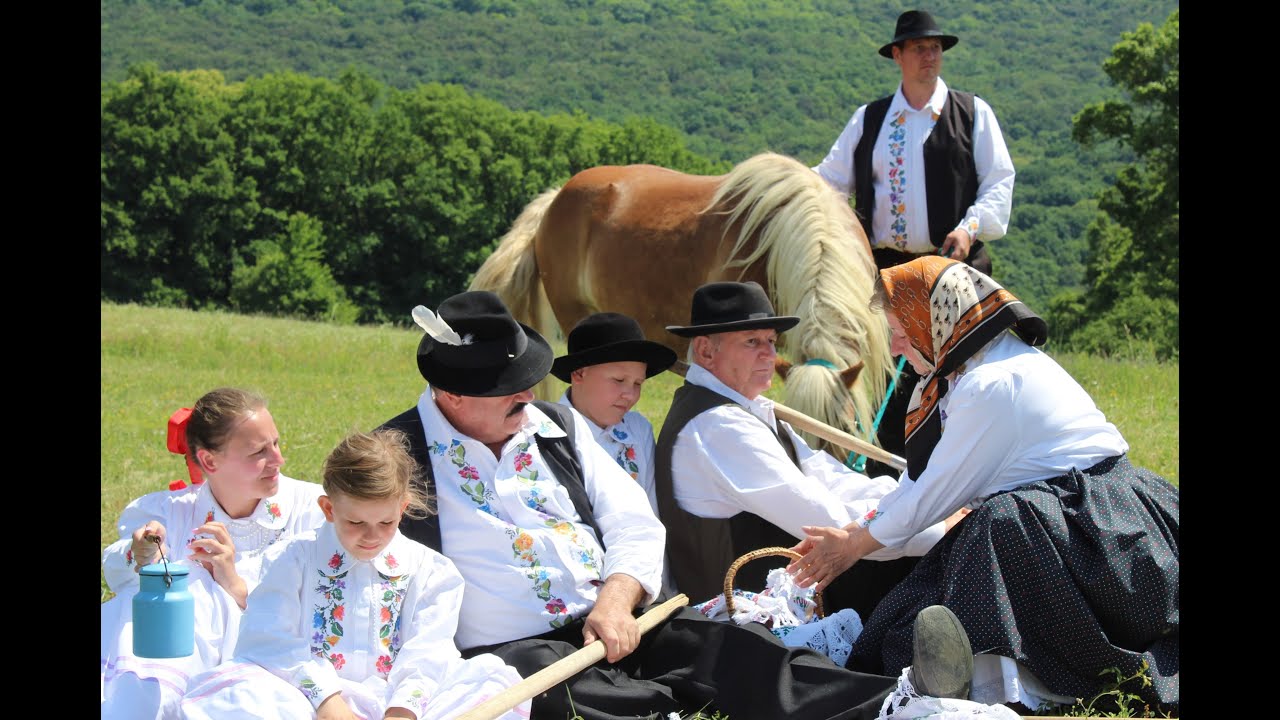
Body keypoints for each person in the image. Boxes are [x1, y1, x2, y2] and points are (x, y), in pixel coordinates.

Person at [375, 290, 979, 720]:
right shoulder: (397, 456)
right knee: (600, 701)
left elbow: (633, 520)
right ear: (450, 394)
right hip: (516, 651)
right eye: (511, 389)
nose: (530, 395)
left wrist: (616, 599)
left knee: (741, 655)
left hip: (620, 615)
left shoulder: (555, 424)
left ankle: (912, 707)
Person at [786, 257, 1179, 714]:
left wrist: (851, 546)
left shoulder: (990, 384)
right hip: (1079, 517)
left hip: (1099, 533)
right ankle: (949, 673)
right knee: (985, 533)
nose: (894, 348)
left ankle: (1000, 686)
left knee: (995, 529)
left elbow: (931, 497)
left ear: (931, 322)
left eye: (899, 330)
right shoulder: (967, 371)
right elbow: (915, 486)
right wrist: (852, 534)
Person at [654, 280, 959, 623]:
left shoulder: (742, 410)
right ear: (707, 351)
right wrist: (939, 526)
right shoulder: (717, 426)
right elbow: (824, 517)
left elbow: (829, 476)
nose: (770, 354)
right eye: (752, 342)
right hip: (740, 623)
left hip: (780, 600)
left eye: (771, 341)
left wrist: (923, 502)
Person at [180, 429, 529, 720]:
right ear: (328, 509)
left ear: (402, 508)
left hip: (399, 699)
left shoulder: (434, 572)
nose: (371, 536)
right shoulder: (294, 558)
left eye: (386, 522)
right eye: (355, 522)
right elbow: (269, 637)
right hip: (306, 699)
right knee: (246, 697)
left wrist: (401, 711)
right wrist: (329, 702)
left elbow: (428, 652)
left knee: (491, 683)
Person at [101, 387, 328, 720]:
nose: (278, 460)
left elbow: (323, 606)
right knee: (164, 588)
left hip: (265, 658)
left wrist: (233, 583)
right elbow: (121, 582)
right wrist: (143, 552)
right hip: (175, 656)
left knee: (193, 587)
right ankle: (142, 700)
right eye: (258, 452)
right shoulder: (172, 511)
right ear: (209, 460)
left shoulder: (311, 510)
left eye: (276, 444)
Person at [812, 9, 1014, 276]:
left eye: (935, 48)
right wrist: (781, 183)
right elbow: (829, 181)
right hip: (884, 273)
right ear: (898, 55)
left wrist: (969, 228)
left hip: (956, 271)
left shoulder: (973, 113)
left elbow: (998, 182)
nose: (929, 56)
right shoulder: (868, 120)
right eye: (919, 48)